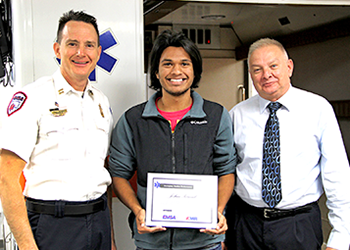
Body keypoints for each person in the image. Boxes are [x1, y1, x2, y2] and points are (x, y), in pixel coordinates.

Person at [108, 29, 237, 250]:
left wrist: (218, 210)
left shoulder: (216, 116)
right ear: (156, 73)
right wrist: (138, 211)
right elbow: (118, 174)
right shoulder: (133, 120)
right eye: (167, 64)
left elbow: (226, 170)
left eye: (185, 64)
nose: (176, 71)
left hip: (204, 241)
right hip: (152, 241)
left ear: (195, 71)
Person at [0, 10, 116, 250]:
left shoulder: (101, 102)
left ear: (98, 53)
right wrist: (26, 245)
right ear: (57, 49)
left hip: (99, 221)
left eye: (89, 45)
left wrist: (111, 239)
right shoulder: (33, 97)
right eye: (72, 44)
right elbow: (6, 176)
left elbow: (102, 172)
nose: (81, 53)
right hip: (53, 225)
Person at [226, 38, 350, 250]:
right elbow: (225, 171)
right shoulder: (237, 114)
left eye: (273, 66)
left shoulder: (318, 109)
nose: (266, 75)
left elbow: (337, 174)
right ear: (250, 74)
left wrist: (340, 238)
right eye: (257, 69)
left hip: (298, 226)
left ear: (289, 67)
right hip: (246, 225)